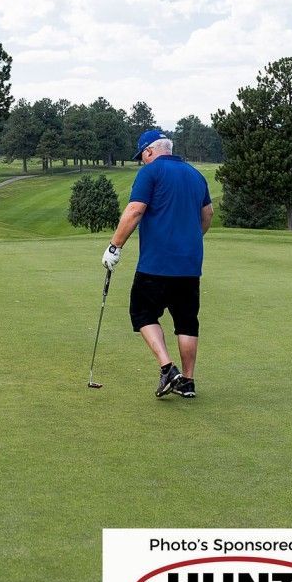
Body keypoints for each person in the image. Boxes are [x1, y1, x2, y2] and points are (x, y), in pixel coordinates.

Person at [103, 129, 213, 399]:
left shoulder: (150, 173)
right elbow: (207, 214)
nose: (142, 160)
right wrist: (190, 239)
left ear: (150, 151)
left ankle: (168, 368)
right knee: (187, 322)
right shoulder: (196, 175)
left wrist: (114, 246)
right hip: (189, 265)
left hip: (156, 264)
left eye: (142, 155)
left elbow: (135, 210)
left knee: (142, 313)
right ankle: (187, 382)